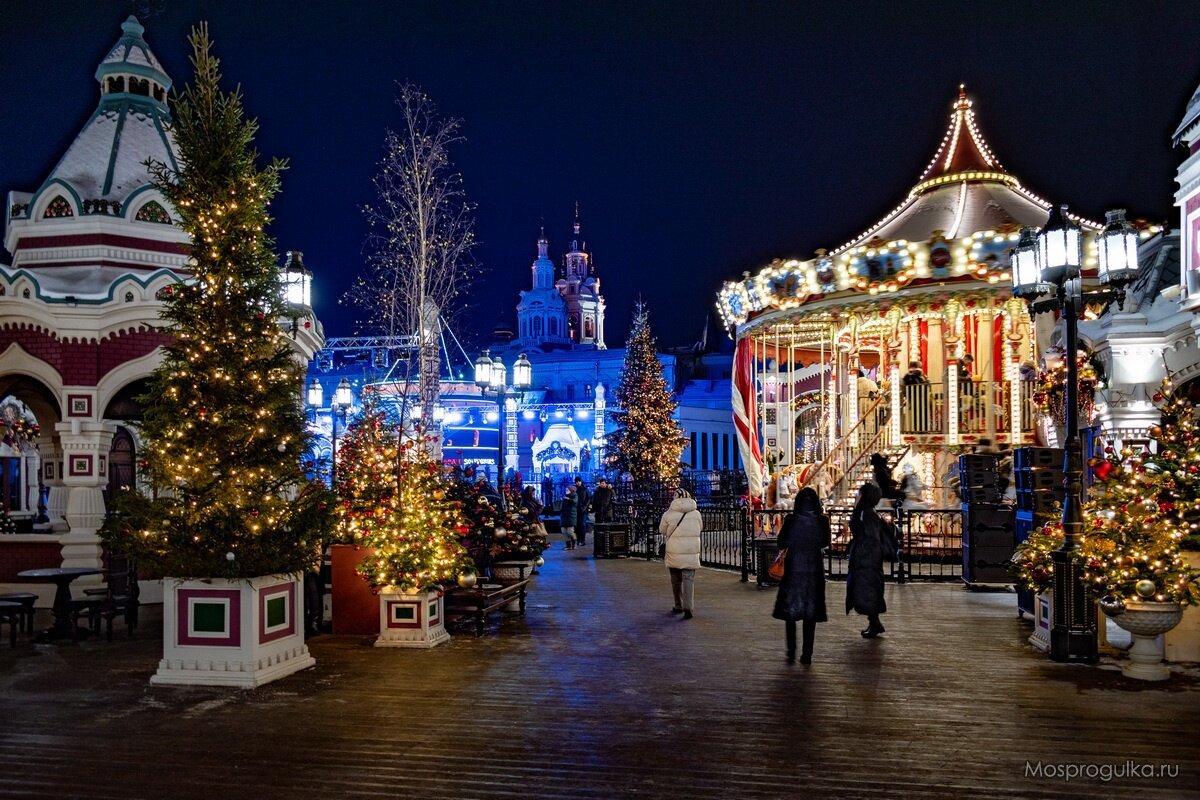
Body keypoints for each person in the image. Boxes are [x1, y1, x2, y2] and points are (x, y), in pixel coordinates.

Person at [773, 487, 830, 664]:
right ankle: (807, 654)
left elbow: (781, 542)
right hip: (814, 571)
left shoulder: (791, 520)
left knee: (791, 614)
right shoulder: (822, 521)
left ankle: (791, 651)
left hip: (794, 571)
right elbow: (825, 542)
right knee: (810, 614)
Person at [846, 482, 890, 638]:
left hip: (867, 560)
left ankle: (874, 623)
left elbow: (871, 538)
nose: (856, 496)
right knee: (867, 591)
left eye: (859, 494)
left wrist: (863, 556)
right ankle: (874, 623)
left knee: (868, 591)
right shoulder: (864, 512)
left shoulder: (867, 513)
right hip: (866, 559)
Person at [659, 489, 702, 619]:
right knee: (689, 579)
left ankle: (678, 605)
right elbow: (700, 528)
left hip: (674, 550)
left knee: (675, 579)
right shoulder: (696, 513)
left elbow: (662, 530)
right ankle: (688, 606)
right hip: (691, 550)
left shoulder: (669, 513)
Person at [559, 485, 579, 550]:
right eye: (566, 490)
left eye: (567, 490)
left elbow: (574, 502)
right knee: (564, 531)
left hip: (571, 516)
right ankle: (568, 546)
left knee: (570, 532)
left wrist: (569, 499)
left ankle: (574, 543)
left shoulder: (575, 495)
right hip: (564, 516)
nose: (566, 491)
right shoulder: (565, 497)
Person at [574, 476, 592, 547]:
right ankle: (578, 539)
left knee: (583, 525)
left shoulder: (585, 490)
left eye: (579, 481)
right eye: (577, 481)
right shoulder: (575, 490)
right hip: (576, 509)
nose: (578, 483)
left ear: (581, 482)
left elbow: (588, 498)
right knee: (578, 525)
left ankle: (582, 540)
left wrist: (585, 507)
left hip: (583, 510)